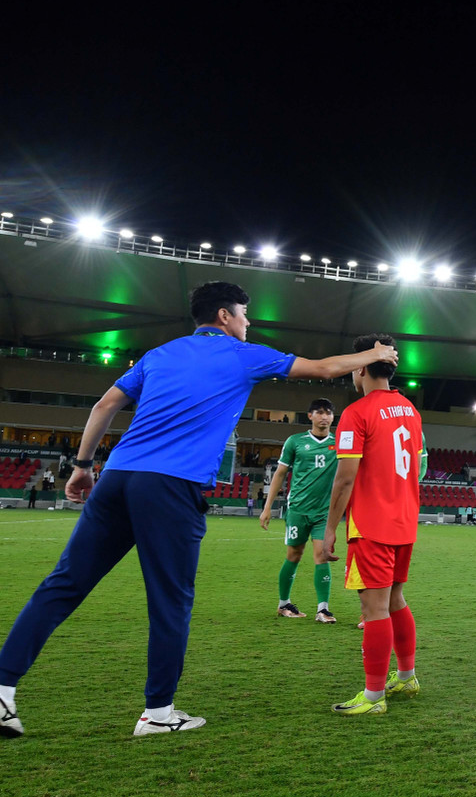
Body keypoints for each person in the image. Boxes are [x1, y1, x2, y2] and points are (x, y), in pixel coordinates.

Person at [0, 282, 396, 739]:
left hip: (117, 477)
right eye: (245, 314)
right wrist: (374, 354)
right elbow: (326, 369)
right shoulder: (241, 354)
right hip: (171, 487)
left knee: (64, 583)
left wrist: (83, 466)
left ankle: (4, 691)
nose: (249, 323)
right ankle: (158, 713)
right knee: (170, 602)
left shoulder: (159, 354)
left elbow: (105, 404)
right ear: (225, 316)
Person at [324, 334, 426, 717]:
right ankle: (407, 675)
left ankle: (372, 697)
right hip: (404, 521)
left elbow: (345, 478)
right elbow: (415, 468)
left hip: (372, 524)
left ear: (361, 366)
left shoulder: (357, 412)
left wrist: (330, 527)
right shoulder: (410, 410)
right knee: (395, 599)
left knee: (374, 608)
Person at [260, 399, 340, 623]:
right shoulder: (295, 441)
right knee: (293, 555)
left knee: (321, 555)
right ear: (310, 416)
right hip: (298, 509)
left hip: (324, 512)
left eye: (328, 413)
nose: (324, 417)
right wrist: (267, 508)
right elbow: (280, 474)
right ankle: (284, 603)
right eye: (320, 413)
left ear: (333, 417)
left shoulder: (340, 443)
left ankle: (323, 609)